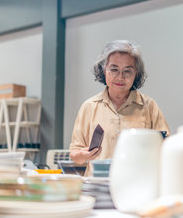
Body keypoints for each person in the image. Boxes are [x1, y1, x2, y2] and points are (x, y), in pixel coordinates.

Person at [69, 40, 170, 176]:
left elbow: (166, 147)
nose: (120, 77)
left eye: (127, 71)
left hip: (137, 184)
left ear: (136, 74)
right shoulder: (89, 106)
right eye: (114, 69)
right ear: (103, 70)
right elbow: (74, 154)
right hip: (99, 183)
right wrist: (84, 155)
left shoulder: (149, 106)